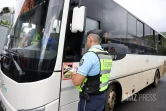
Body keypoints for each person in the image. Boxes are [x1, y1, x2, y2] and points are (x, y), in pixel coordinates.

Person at [71, 29, 113, 111]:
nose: (86, 42)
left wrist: (73, 73)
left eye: (86, 39)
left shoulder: (89, 56)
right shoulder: (107, 55)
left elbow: (77, 82)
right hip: (102, 96)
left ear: (90, 38)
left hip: (89, 99)